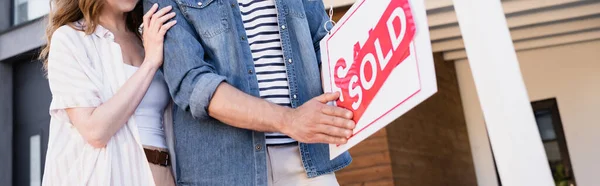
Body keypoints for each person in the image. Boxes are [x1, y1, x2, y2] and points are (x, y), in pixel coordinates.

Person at [142, 0, 356, 185]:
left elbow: (323, 45)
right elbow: (193, 83)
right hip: (226, 172)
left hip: (308, 161)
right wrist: (290, 120)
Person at [40, 0, 177, 185]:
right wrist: (150, 63)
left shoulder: (148, 38)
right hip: (112, 175)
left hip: (163, 173)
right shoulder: (70, 39)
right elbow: (95, 131)